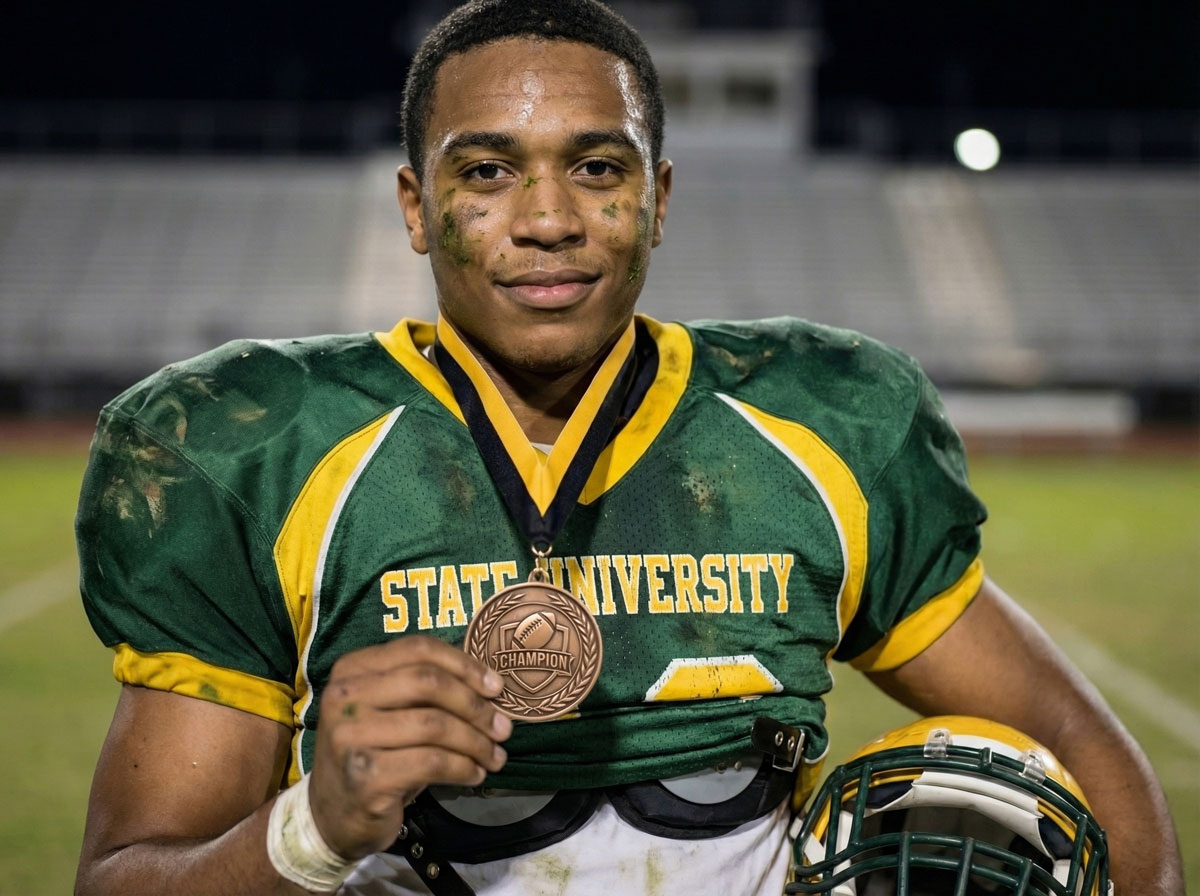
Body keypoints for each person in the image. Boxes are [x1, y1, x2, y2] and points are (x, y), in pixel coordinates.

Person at [73, 1, 1183, 894]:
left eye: (598, 169)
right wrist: (308, 829)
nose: (548, 217)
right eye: (489, 171)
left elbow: (1074, 738)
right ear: (416, 206)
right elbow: (129, 871)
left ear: (657, 197)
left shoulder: (813, 428)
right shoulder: (255, 450)